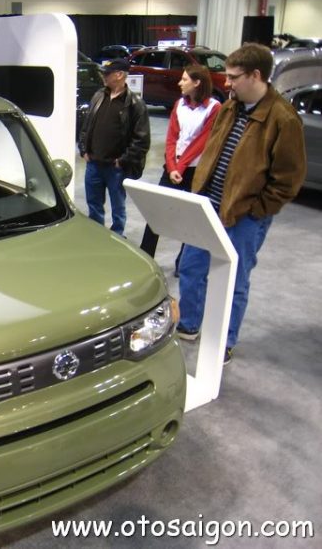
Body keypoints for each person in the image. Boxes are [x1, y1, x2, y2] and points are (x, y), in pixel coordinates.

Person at [175, 43, 306, 365]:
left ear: (256, 75)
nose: (227, 83)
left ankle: (224, 340)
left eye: (234, 77)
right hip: (208, 206)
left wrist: (256, 211)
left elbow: (288, 180)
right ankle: (189, 325)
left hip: (245, 217)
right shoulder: (230, 107)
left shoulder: (283, 119)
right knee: (191, 269)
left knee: (234, 279)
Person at [140, 65, 221, 263]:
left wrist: (181, 167)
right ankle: (145, 256)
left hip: (195, 171)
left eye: (184, 79)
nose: (180, 83)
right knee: (156, 213)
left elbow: (201, 142)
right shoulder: (179, 104)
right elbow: (171, 137)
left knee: (192, 218)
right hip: (173, 168)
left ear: (197, 82)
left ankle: (183, 261)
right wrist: (172, 167)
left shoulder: (214, 108)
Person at [78, 58, 150, 236]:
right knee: (93, 204)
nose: (103, 76)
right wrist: (83, 149)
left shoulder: (135, 104)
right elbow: (86, 125)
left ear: (119, 75)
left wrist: (123, 161)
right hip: (93, 164)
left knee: (118, 207)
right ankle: (97, 235)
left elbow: (141, 140)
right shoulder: (99, 96)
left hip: (115, 167)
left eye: (107, 73)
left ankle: (118, 236)